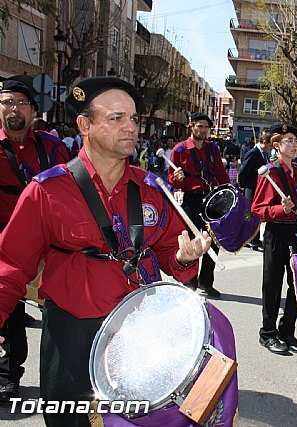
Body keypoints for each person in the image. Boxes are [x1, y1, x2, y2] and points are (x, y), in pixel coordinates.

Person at [0, 76, 210, 426]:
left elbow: (169, 255)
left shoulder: (151, 189)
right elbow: (9, 266)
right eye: (116, 118)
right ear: (85, 125)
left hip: (137, 333)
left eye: (133, 118)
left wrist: (185, 258)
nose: (130, 127)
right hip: (71, 335)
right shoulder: (47, 191)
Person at [0, 79, 70, 404]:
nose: (14, 109)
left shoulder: (53, 148)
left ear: (32, 110)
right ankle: (7, 377)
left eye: (21, 103)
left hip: (47, 246)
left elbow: (72, 191)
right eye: (7, 102)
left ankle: (59, 385)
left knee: (57, 317)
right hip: (5, 244)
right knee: (9, 314)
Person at [251, 126, 297, 355]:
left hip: (296, 232)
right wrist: (279, 210)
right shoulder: (270, 172)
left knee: (296, 286)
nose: (293, 145)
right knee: (272, 285)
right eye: (289, 141)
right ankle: (268, 333)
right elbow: (257, 208)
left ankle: (287, 331)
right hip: (276, 233)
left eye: (296, 141)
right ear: (277, 145)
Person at [169, 112, 229, 298]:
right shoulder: (180, 150)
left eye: (205, 127)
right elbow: (172, 179)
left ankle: (206, 282)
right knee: (194, 243)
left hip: (212, 199)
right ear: (191, 126)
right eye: (199, 126)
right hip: (192, 200)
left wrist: (228, 192)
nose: (203, 130)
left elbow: (220, 173)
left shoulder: (213, 149)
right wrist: (177, 179)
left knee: (213, 242)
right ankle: (190, 281)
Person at [238, 129, 273, 252]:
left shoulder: (264, 154)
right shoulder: (253, 153)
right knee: (252, 214)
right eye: (270, 145)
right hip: (251, 188)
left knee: (256, 215)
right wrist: (242, 185)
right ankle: (254, 240)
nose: (270, 148)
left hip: (260, 189)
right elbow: (243, 171)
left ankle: (250, 239)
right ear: (264, 142)